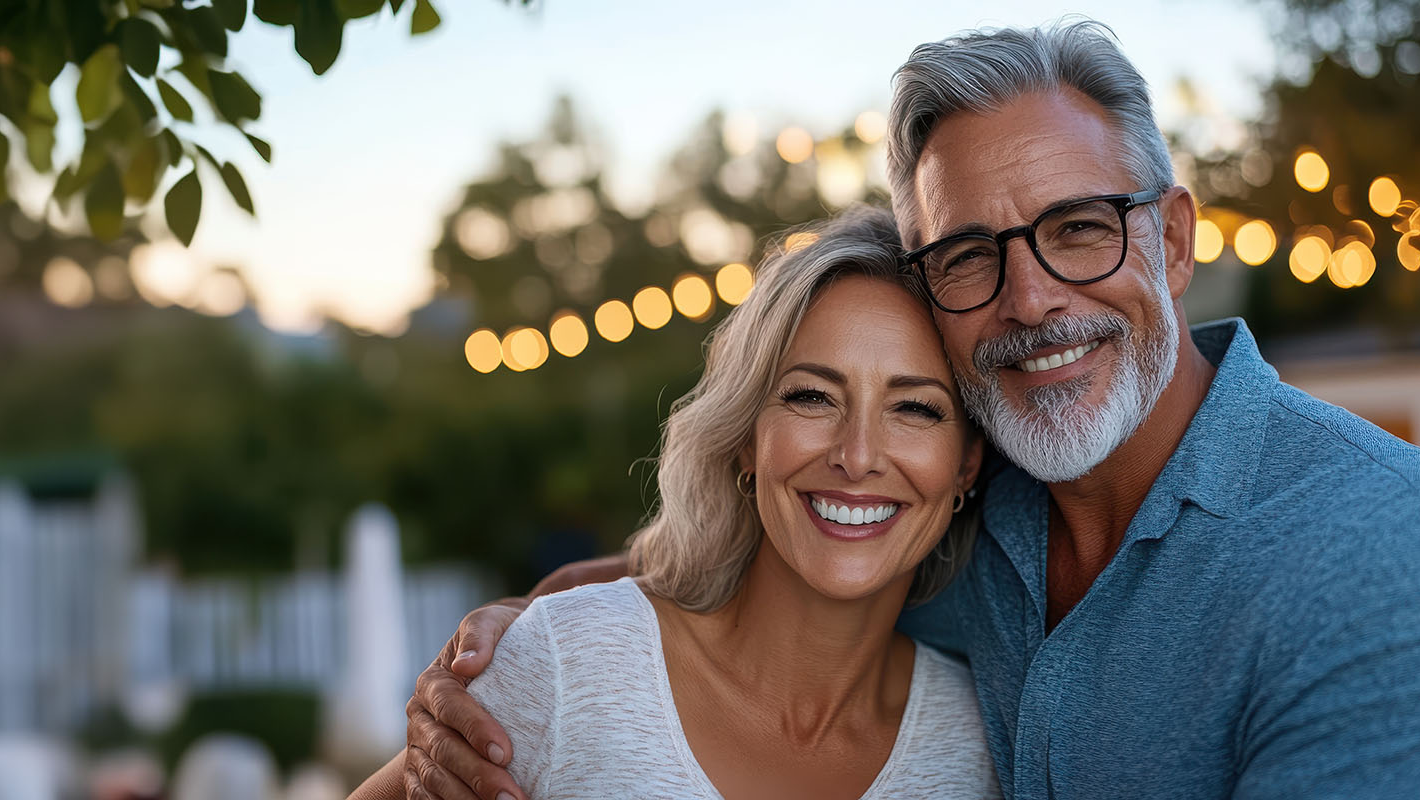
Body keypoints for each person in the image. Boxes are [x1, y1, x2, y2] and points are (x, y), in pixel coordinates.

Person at [399, 20, 1420, 800]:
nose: (1030, 299)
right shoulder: (968, 518)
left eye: (1077, 227)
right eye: (967, 254)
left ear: (1170, 240)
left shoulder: (1402, 569)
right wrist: (521, 636)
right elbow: (761, 559)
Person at [351, 207, 1001, 800]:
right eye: (812, 396)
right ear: (748, 437)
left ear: (967, 463)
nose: (857, 456)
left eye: (914, 407)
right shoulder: (566, 664)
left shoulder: (984, 743)